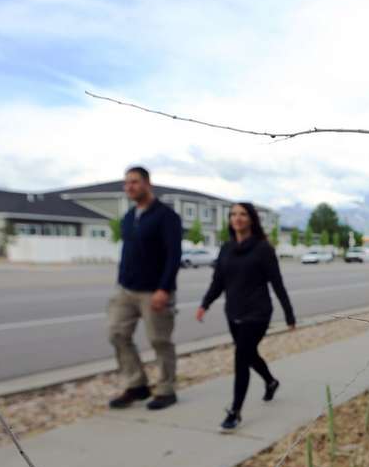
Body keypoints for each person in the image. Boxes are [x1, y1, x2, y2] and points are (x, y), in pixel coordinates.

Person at [196, 202, 296, 432]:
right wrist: (205, 304)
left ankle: (235, 411)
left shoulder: (263, 248)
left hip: (258, 313)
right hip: (233, 312)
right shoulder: (226, 248)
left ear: (251, 219)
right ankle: (271, 382)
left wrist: (289, 314)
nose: (237, 218)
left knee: (241, 357)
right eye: (233, 214)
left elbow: (277, 283)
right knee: (249, 355)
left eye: (242, 214)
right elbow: (218, 281)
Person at [107, 166, 183, 411]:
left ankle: (165, 389)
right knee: (116, 334)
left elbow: (174, 255)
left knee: (159, 340)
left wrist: (164, 289)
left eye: (135, 182)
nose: (130, 187)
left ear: (148, 183)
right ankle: (136, 384)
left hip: (155, 291)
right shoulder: (129, 217)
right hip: (127, 290)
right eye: (126, 183)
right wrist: (121, 279)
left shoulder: (166, 216)